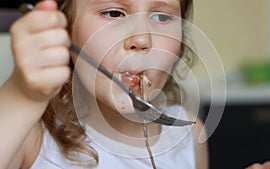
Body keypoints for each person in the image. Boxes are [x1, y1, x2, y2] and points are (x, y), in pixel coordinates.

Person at [0, 0, 209, 168]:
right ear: (64, 30)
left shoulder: (188, 133)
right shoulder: (30, 138)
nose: (142, 39)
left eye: (161, 16)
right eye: (114, 13)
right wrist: (22, 95)